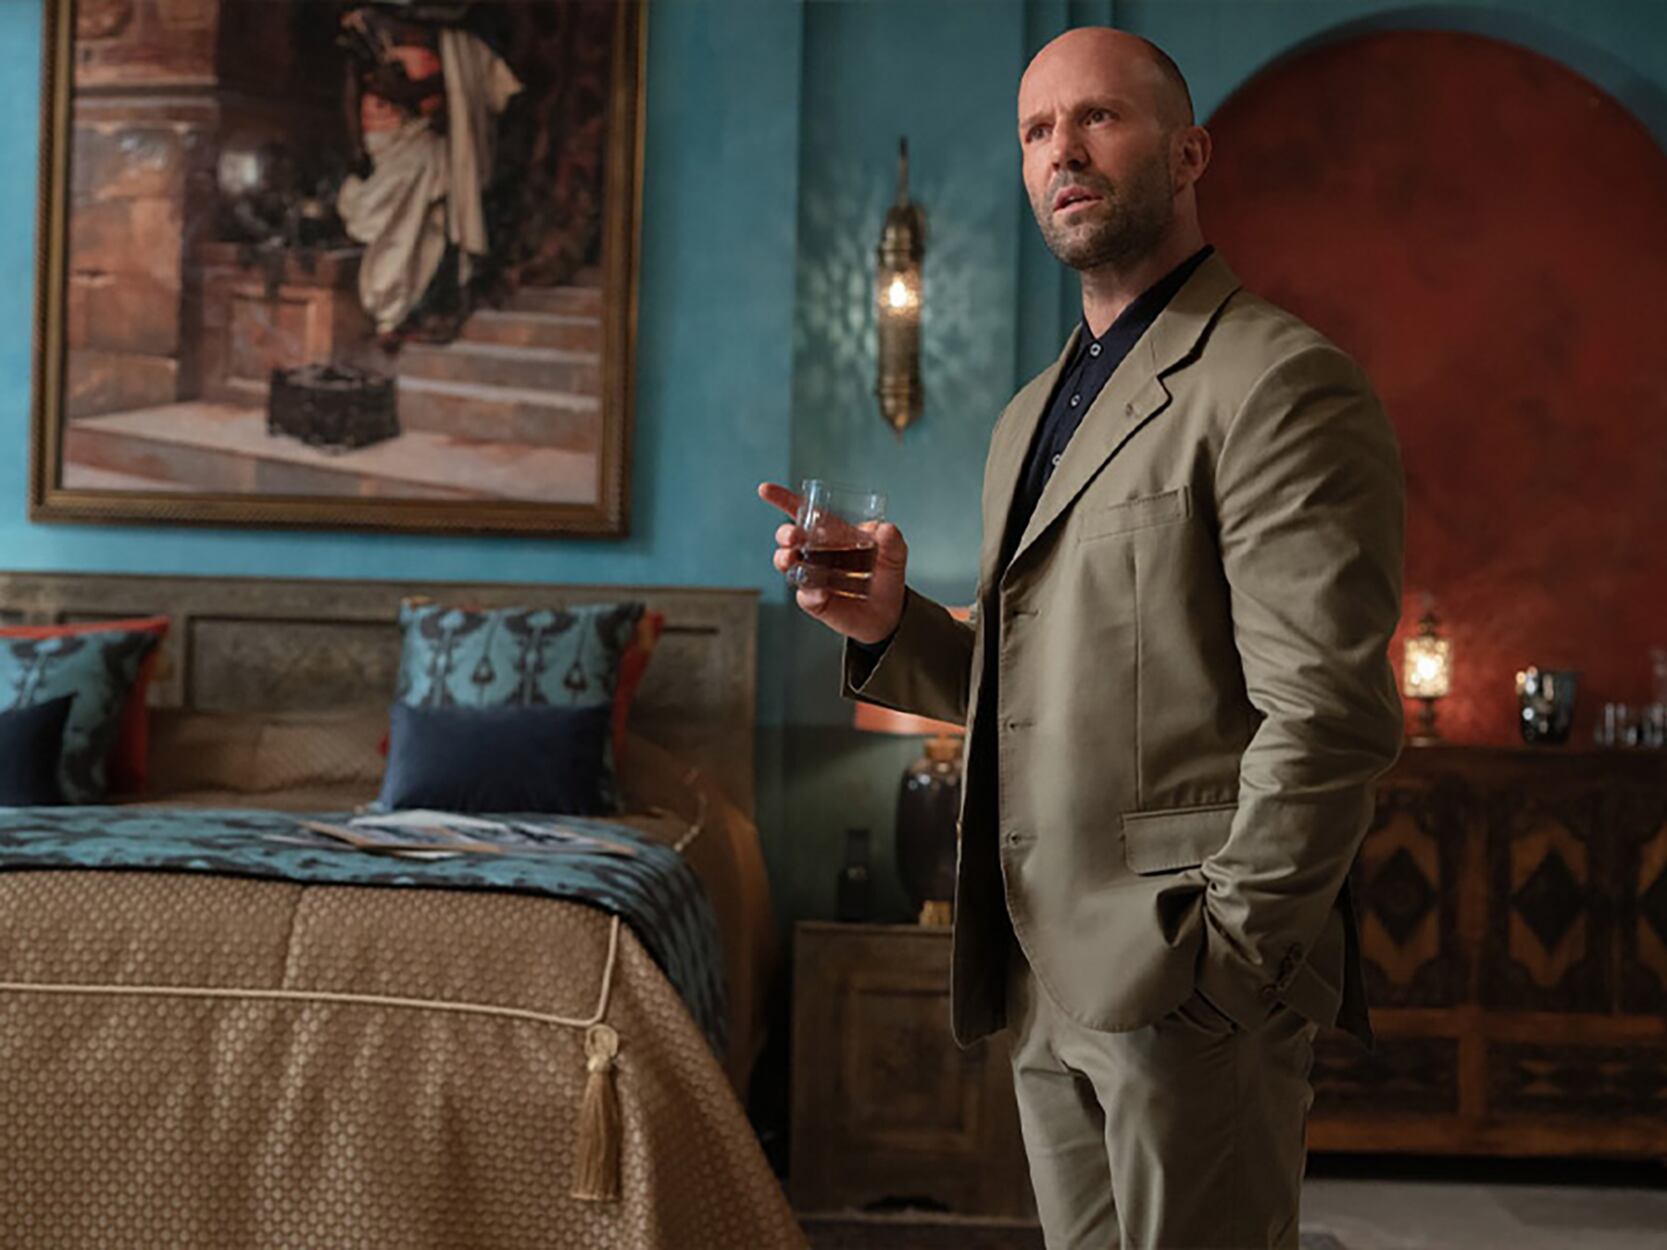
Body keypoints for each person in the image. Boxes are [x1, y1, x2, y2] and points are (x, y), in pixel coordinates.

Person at [760, 25, 1405, 1250]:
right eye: (1035, 129)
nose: (1061, 149)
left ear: (1187, 152)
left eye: (1097, 117)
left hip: (1184, 978)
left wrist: (1227, 965)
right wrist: (890, 622)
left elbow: (1329, 715)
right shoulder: (1026, 415)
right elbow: (1038, 685)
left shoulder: (1278, 382)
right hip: (1043, 973)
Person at [336, 4, 521, 350]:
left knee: (428, 224)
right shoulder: (366, 25)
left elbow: (461, 86)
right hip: (386, 137)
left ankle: (410, 312)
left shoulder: (450, 31)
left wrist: (426, 93)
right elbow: (355, 86)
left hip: (426, 138)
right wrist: (357, 148)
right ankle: (388, 312)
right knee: (394, 225)